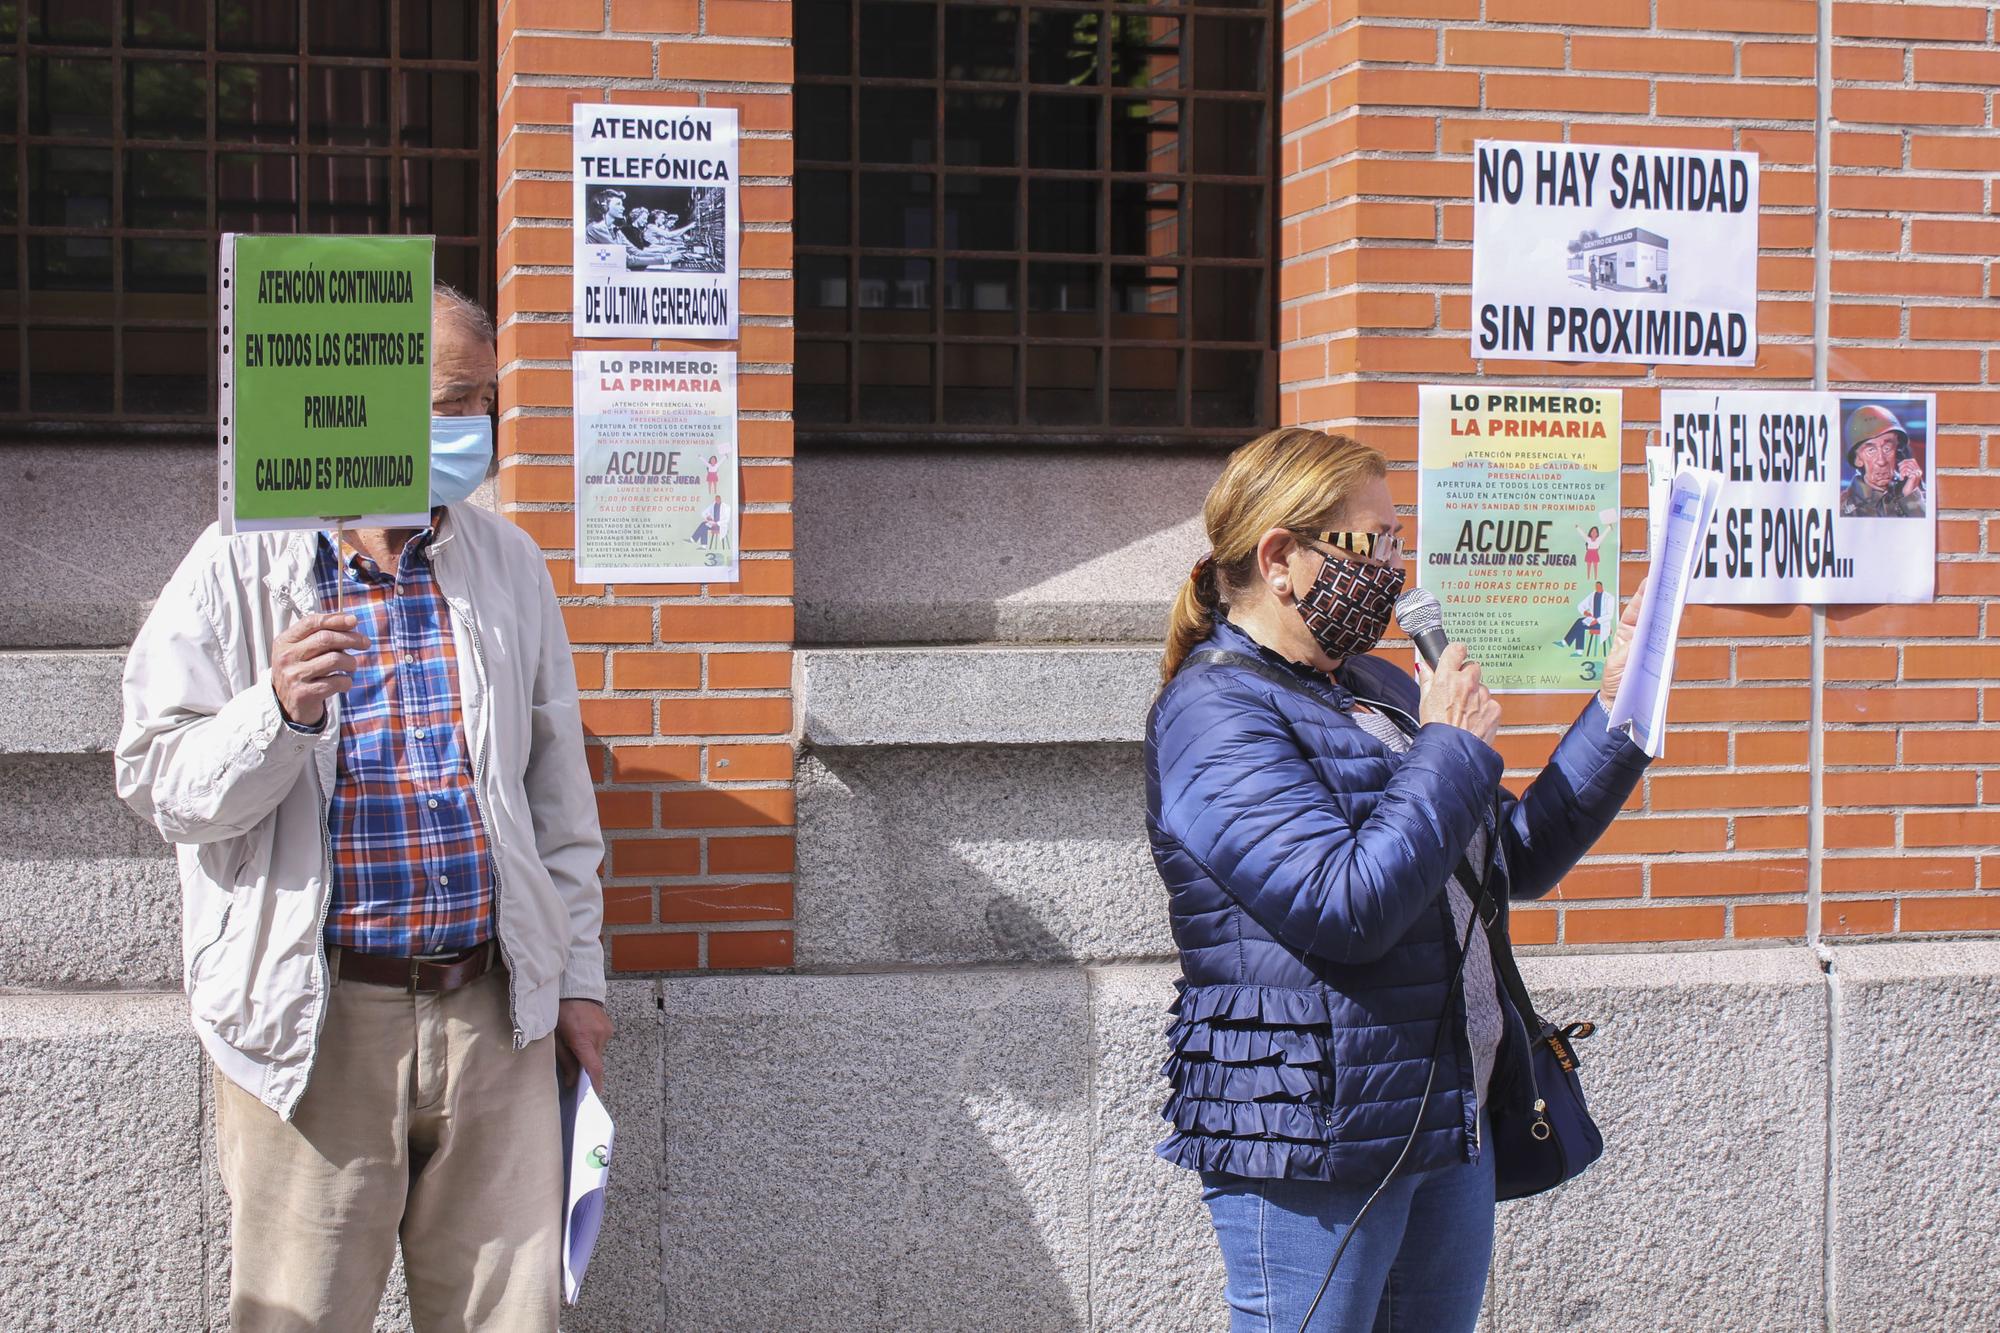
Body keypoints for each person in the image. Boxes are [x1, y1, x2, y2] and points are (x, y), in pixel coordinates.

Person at [116, 284, 612, 1332]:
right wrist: (277, 713)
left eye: (483, 399)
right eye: (447, 400)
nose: (472, 427)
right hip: (317, 1022)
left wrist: (577, 979)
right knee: (299, 1314)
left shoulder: (507, 563)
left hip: (493, 1016)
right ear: (364, 402)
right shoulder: (239, 561)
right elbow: (160, 781)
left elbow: (557, 796)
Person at [1146, 428, 1653, 1333]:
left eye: (1396, 539)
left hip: (1440, 1106)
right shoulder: (1213, 713)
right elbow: (1347, 905)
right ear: (1281, 559)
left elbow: (1514, 857)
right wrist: (1451, 745)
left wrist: (1617, 706)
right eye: (1370, 542)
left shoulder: (1373, 685)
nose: (1394, 567)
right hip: (1315, 1135)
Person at [1840, 404, 1926, 518]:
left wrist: (1911, 496)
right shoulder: (1842, 507)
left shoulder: (1917, 495)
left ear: (1897, 451)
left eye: (1887, 449)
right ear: (1858, 459)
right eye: (1871, 450)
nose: (1881, 461)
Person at [583, 187, 656, 271]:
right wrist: (667, 259)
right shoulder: (597, 228)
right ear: (605, 207)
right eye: (618, 204)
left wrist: (666, 255)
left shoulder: (615, 230)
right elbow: (625, 259)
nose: (623, 208)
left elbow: (635, 252)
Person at [1560, 581, 1607, 655]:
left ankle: (1566, 643)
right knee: (1581, 623)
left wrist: (1597, 620)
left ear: (1602, 587)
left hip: (1602, 623)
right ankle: (1578, 651)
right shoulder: (1593, 595)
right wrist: (1586, 613)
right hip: (1592, 620)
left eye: (1598, 586)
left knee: (1580, 623)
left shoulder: (1608, 597)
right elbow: (1580, 605)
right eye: (1596, 586)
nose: (1597, 588)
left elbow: (1609, 615)